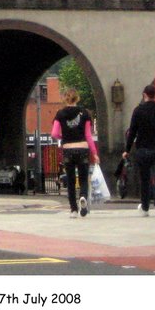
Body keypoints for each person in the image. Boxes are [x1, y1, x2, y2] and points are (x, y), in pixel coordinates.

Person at [122, 84, 155, 218]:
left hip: (143, 150)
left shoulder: (138, 111)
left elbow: (132, 132)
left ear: (144, 94)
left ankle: (145, 207)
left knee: (145, 179)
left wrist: (127, 150)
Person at [51, 88, 99, 217]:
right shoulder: (85, 113)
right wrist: (94, 153)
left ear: (65, 98)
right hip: (82, 148)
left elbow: (54, 133)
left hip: (68, 149)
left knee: (71, 180)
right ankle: (83, 196)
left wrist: (64, 137)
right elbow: (88, 135)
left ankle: (73, 210)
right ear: (77, 98)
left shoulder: (60, 114)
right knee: (84, 178)